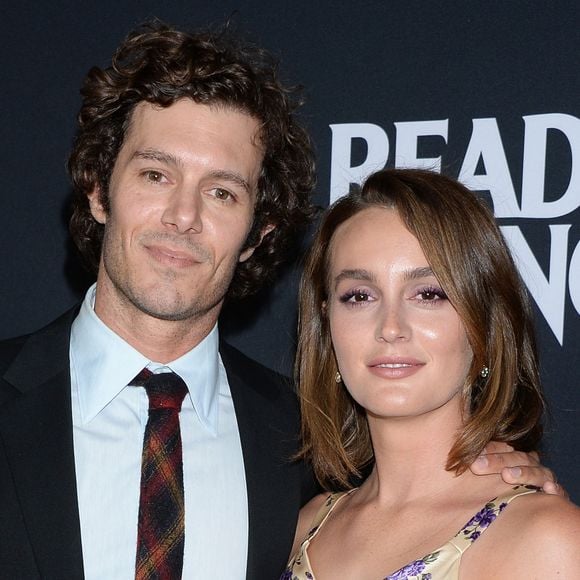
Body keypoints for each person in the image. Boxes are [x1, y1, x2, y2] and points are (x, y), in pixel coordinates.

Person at [0, 23, 561, 580]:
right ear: (99, 190)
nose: (184, 216)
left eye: (222, 191)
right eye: (155, 174)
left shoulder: (296, 443)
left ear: (260, 231)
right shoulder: (319, 499)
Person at [284, 168, 580, 579]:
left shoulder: (547, 539)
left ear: (484, 325)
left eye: (428, 294)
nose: (390, 328)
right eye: (359, 296)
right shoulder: (306, 528)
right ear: (327, 323)